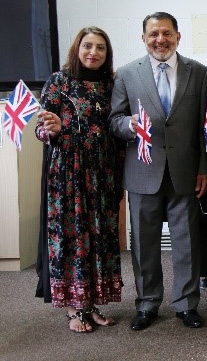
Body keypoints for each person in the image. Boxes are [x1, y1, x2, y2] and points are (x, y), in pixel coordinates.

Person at [109, 12, 207, 330]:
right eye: (153, 34)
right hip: (142, 171)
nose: (160, 40)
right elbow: (114, 119)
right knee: (144, 243)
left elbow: (206, 126)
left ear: (178, 36)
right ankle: (147, 303)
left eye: (167, 33)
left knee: (186, 243)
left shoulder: (199, 72)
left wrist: (205, 168)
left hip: (185, 171)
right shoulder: (126, 74)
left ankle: (186, 304)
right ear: (143, 38)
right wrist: (129, 125)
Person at [35, 27, 124, 333]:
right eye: (88, 46)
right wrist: (52, 130)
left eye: (101, 47)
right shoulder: (59, 81)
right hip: (68, 176)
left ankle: (91, 304)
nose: (93, 53)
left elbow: (117, 126)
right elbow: (42, 128)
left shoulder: (112, 83)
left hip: (103, 174)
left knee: (97, 239)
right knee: (74, 240)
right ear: (77, 48)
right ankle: (73, 309)